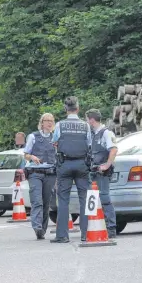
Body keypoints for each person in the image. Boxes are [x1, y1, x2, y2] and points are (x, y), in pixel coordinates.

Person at [51, 96, 92, 243]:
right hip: (82, 165)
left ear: (65, 109)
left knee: (63, 200)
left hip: (65, 164)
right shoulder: (85, 126)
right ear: (78, 108)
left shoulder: (59, 125)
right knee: (84, 199)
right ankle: (86, 233)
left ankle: (62, 235)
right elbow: (89, 144)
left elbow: (54, 142)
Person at [85, 109, 118, 238]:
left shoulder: (106, 133)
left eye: (87, 120)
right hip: (93, 171)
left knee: (104, 198)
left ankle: (111, 228)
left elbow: (113, 149)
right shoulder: (92, 135)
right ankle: (93, 226)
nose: (87, 122)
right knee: (91, 199)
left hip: (102, 172)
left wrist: (107, 165)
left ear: (91, 120)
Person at [24, 113, 57, 240]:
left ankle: (42, 229)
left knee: (46, 202)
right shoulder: (33, 136)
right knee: (37, 200)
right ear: (42, 123)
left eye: (51, 121)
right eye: (47, 120)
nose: (49, 123)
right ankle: (37, 226)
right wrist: (32, 157)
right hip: (35, 173)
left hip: (50, 173)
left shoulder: (55, 138)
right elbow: (26, 154)